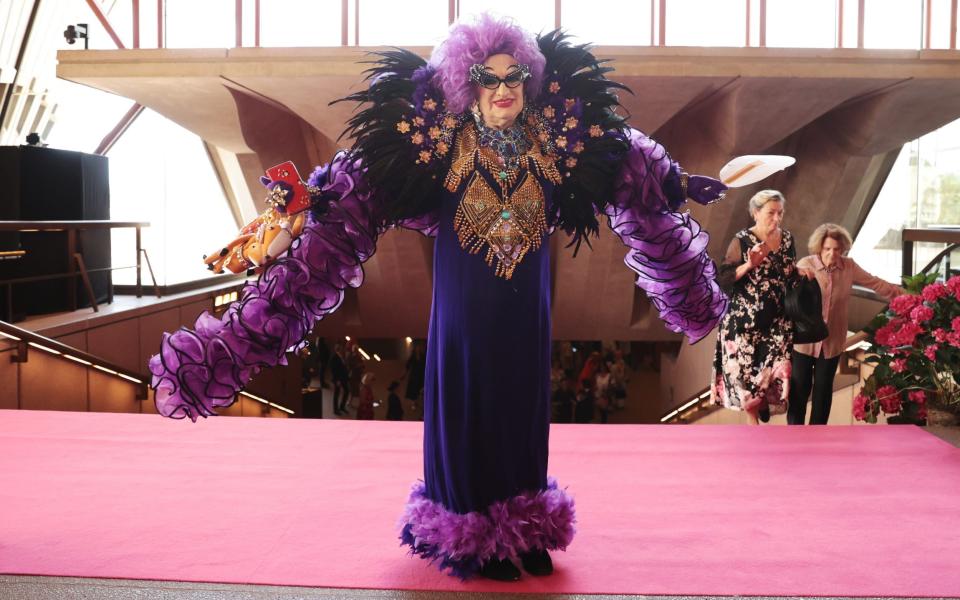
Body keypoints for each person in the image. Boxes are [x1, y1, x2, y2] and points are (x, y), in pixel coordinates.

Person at [150, 14, 729, 581]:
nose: (503, 89)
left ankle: (523, 527)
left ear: (528, 80)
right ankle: (471, 530)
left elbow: (625, 162)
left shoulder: (560, 144)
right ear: (467, 84)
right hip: (464, 308)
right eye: (489, 77)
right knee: (471, 400)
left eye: (513, 77)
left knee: (522, 404)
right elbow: (360, 183)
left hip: (528, 308)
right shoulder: (434, 147)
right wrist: (310, 202)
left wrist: (676, 183)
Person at [711, 190, 811, 425]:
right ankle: (754, 424)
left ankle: (764, 402)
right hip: (744, 322)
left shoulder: (787, 239)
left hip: (778, 320)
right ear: (755, 213)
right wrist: (749, 264)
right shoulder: (742, 240)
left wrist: (800, 272)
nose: (776, 218)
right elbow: (723, 279)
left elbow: (788, 270)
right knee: (747, 380)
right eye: (770, 213)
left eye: (780, 213)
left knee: (779, 369)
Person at [788, 223, 902, 425]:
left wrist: (901, 295)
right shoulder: (807, 264)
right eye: (827, 249)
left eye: (837, 249)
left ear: (843, 249)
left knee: (823, 394)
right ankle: (794, 438)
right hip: (804, 342)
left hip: (831, 342)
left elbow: (874, 283)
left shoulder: (848, 266)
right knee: (799, 393)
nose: (832, 254)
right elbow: (789, 292)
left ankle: (817, 440)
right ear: (819, 248)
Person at [329, 343, 350, 416]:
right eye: (342, 348)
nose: (343, 349)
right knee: (336, 394)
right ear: (338, 349)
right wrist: (337, 380)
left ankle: (342, 407)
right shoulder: (334, 357)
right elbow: (333, 370)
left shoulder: (341, 356)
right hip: (338, 379)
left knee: (347, 391)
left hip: (343, 378)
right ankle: (335, 410)